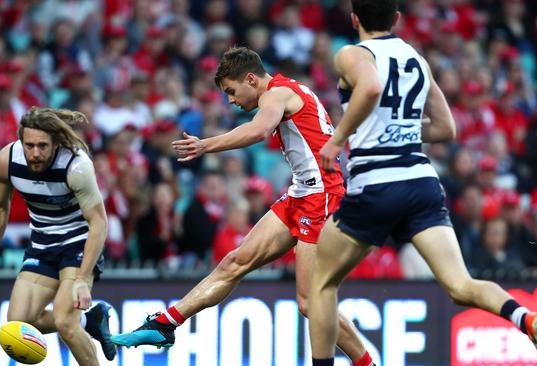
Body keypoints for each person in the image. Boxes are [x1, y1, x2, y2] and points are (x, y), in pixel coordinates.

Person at [307, 2, 537, 366]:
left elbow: (369, 87)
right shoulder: (416, 59)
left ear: (353, 20)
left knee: (319, 285)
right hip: (421, 183)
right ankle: (527, 318)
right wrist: (402, 130)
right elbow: (446, 128)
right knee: (460, 284)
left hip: (377, 184)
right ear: (396, 19)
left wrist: (339, 139)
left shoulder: (351, 54)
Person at [111, 46, 375, 366]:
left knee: (309, 302)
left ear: (251, 79)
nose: (232, 101)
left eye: (232, 92)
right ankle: (165, 324)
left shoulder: (277, 94)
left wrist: (206, 144)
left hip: (321, 198)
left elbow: (259, 130)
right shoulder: (288, 91)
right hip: (301, 194)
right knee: (234, 262)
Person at [0, 107, 117, 364]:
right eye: (29, 145)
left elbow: (98, 222)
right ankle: (92, 319)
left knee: (66, 324)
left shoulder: (76, 166)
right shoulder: (7, 160)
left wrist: (82, 279)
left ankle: (80, 322)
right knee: (19, 323)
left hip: (79, 243)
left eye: (43, 146)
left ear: (56, 144)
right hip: (42, 243)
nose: (35, 153)